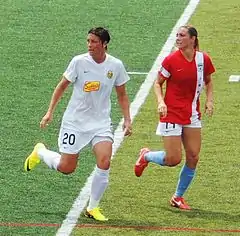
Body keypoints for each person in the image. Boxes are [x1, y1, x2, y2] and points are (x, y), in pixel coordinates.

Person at [24, 27, 132, 221]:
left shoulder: (115, 65)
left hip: (100, 123)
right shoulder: (79, 62)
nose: (89, 45)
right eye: (88, 41)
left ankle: (93, 208)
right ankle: (40, 151)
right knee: (67, 168)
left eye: (94, 42)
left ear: (104, 44)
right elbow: (61, 86)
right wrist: (50, 112)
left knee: (105, 160)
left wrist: (127, 119)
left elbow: (122, 94)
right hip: (75, 123)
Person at [134, 25, 215, 210]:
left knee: (193, 156)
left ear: (192, 39)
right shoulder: (171, 60)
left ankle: (177, 197)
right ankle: (146, 156)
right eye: (177, 35)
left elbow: (209, 81)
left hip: (192, 114)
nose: (177, 38)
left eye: (182, 35)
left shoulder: (203, 59)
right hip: (171, 113)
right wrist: (161, 102)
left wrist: (209, 101)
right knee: (173, 159)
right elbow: (157, 84)